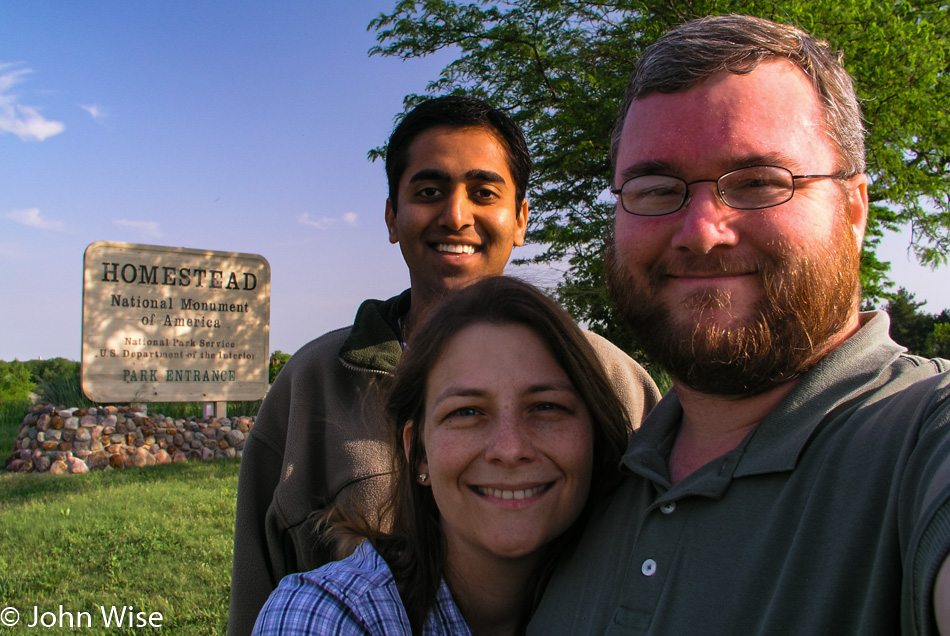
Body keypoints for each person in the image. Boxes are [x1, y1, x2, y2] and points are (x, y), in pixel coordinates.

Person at [528, 14, 950, 636]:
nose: (701, 232)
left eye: (759, 183)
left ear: (854, 209)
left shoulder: (922, 438)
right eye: (654, 186)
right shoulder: (588, 480)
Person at [228, 96, 661, 635]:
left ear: (522, 218)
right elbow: (258, 582)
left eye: (484, 192)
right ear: (392, 216)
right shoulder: (312, 382)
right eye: (429, 192)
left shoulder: (614, 379)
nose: (456, 215)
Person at [252, 276, 634, 635]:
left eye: (547, 407)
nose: (510, 448)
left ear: (594, 438)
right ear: (418, 454)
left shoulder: (647, 599)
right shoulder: (329, 616)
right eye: (466, 412)